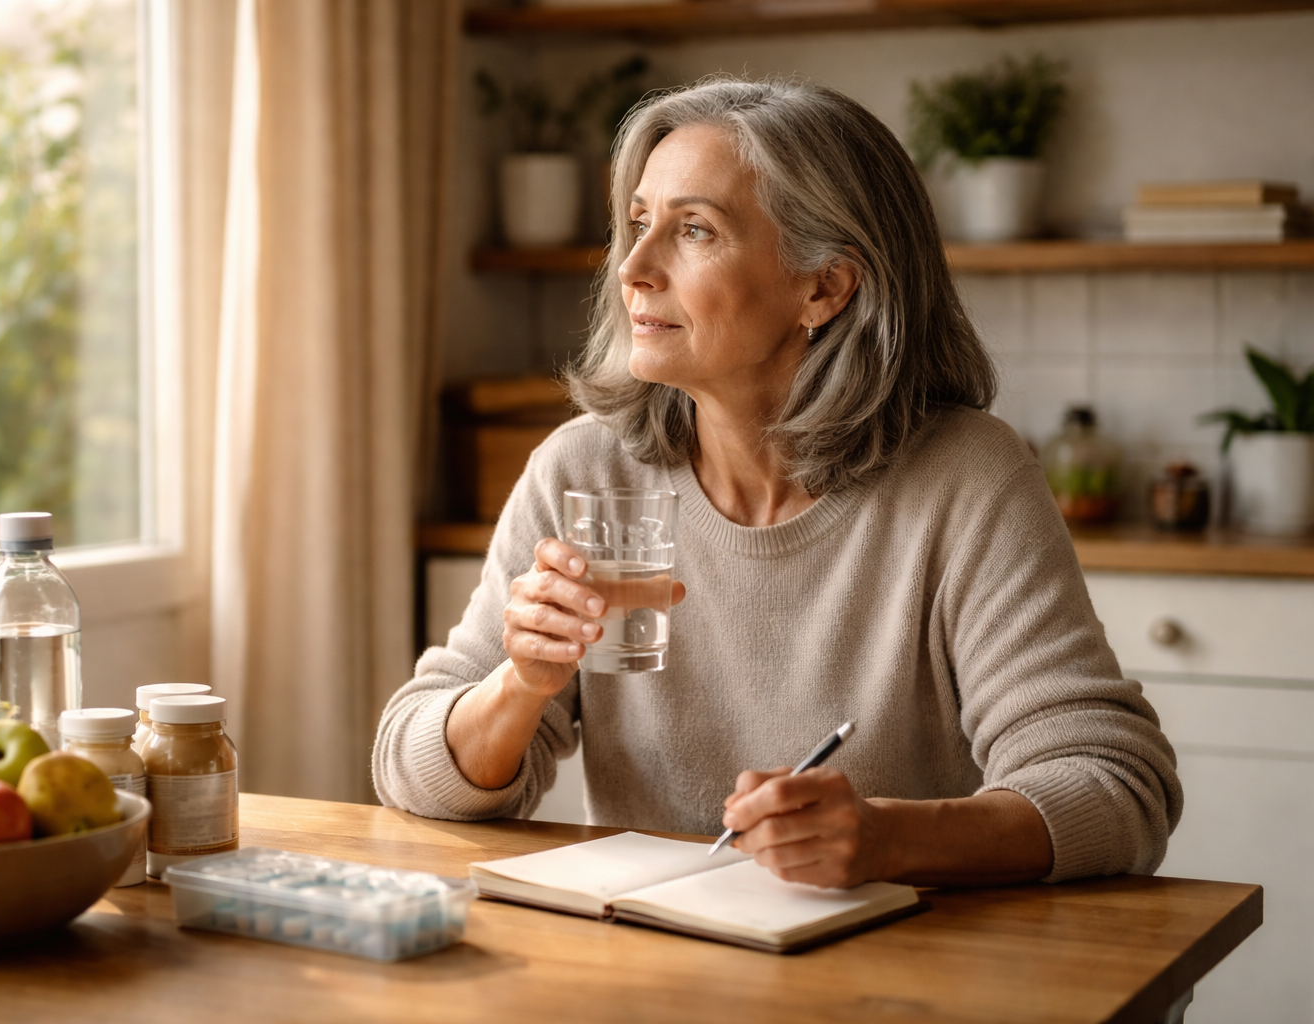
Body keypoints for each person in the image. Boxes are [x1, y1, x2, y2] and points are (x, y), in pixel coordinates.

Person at [374, 78, 1181, 888]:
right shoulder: (584, 468)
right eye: (638, 223)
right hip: (652, 966)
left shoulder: (965, 477)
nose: (634, 268)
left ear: (824, 286)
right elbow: (409, 771)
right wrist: (523, 684)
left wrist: (889, 840)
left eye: (694, 229)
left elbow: (1117, 787)